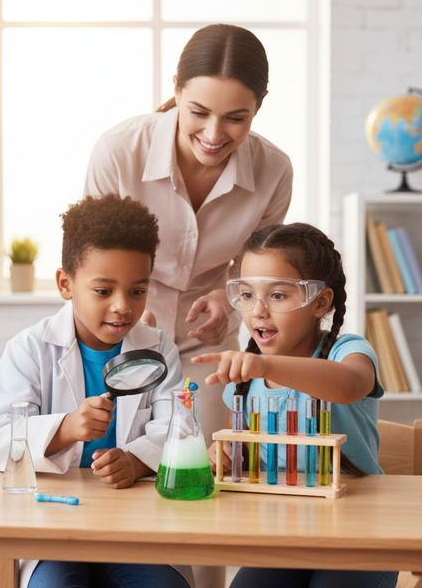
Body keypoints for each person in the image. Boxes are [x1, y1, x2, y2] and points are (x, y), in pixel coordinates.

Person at [0, 195, 193, 588]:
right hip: (48, 527)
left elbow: (178, 430)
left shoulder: (158, 350)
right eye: (103, 291)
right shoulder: (30, 349)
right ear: (65, 283)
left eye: (137, 291)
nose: (123, 307)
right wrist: (66, 428)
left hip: (131, 526)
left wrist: (136, 462)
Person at [84, 23, 293, 445]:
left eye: (236, 118)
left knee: (204, 461)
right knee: (114, 463)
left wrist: (231, 300)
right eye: (198, 112)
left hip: (208, 345)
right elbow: (88, 260)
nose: (214, 135)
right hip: (119, 333)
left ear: (261, 105)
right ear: (176, 89)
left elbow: (259, 272)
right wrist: (119, 312)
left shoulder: (275, 170)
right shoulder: (120, 151)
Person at [193, 222, 399, 588]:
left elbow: (351, 385)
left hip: (363, 537)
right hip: (283, 538)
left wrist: (267, 365)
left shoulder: (347, 351)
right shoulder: (243, 382)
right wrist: (221, 456)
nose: (258, 311)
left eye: (278, 295)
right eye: (246, 294)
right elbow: (248, 458)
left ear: (319, 301)